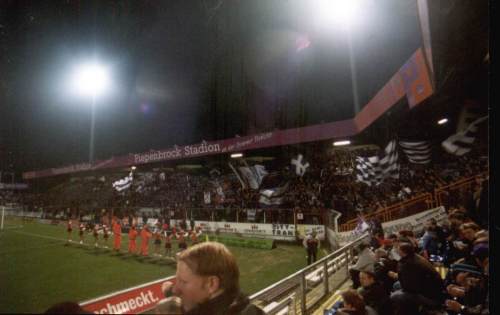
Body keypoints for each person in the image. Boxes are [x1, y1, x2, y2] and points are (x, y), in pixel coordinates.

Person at [159, 242, 264, 315]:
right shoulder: (240, 305)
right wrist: (168, 290)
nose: (175, 289)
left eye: (183, 282)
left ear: (211, 284)